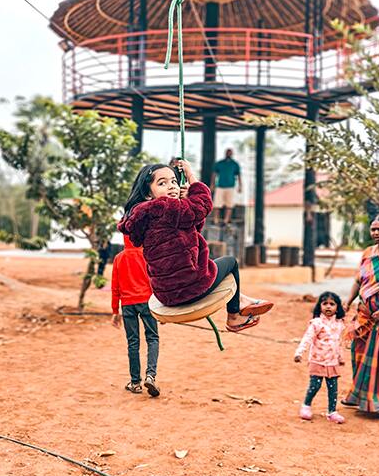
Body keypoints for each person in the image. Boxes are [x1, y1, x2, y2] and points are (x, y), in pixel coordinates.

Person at [118, 161, 273, 332]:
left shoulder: (145, 215)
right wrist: (191, 177)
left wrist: (184, 201)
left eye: (174, 181)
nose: (171, 186)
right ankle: (234, 317)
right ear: (148, 194)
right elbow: (204, 204)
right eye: (162, 183)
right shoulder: (164, 207)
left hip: (165, 294)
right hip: (190, 288)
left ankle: (243, 299)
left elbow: (193, 227)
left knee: (209, 262)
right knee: (230, 262)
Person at [341, 213, 379, 414]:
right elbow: (359, 280)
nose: (376, 232)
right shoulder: (368, 253)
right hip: (365, 314)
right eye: (374, 229)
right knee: (358, 353)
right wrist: (348, 301)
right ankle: (358, 395)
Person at [111, 234, 160, 397]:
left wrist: (115, 311)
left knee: (133, 342)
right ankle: (150, 375)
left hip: (127, 304)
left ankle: (135, 382)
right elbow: (155, 282)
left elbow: (115, 287)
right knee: (152, 338)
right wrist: (161, 308)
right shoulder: (147, 255)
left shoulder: (119, 258)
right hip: (147, 302)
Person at [294, 291, 346, 424]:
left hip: (332, 362)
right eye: (325, 303)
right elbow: (308, 338)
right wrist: (299, 352)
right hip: (318, 360)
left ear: (337, 307)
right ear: (320, 306)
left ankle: (332, 412)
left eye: (332, 304)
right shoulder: (316, 323)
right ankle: (306, 405)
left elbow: (338, 342)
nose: (328, 307)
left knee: (333, 389)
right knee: (315, 386)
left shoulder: (339, 324)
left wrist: (340, 357)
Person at [210, 148, 242, 226]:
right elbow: (214, 174)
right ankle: (215, 220)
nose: (229, 154)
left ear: (232, 154)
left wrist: (240, 186)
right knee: (217, 204)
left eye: (230, 153)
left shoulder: (235, 164)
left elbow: (239, 175)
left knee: (229, 204)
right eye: (227, 153)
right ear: (225, 153)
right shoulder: (220, 163)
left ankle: (226, 221)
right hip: (220, 186)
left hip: (231, 187)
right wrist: (212, 184)